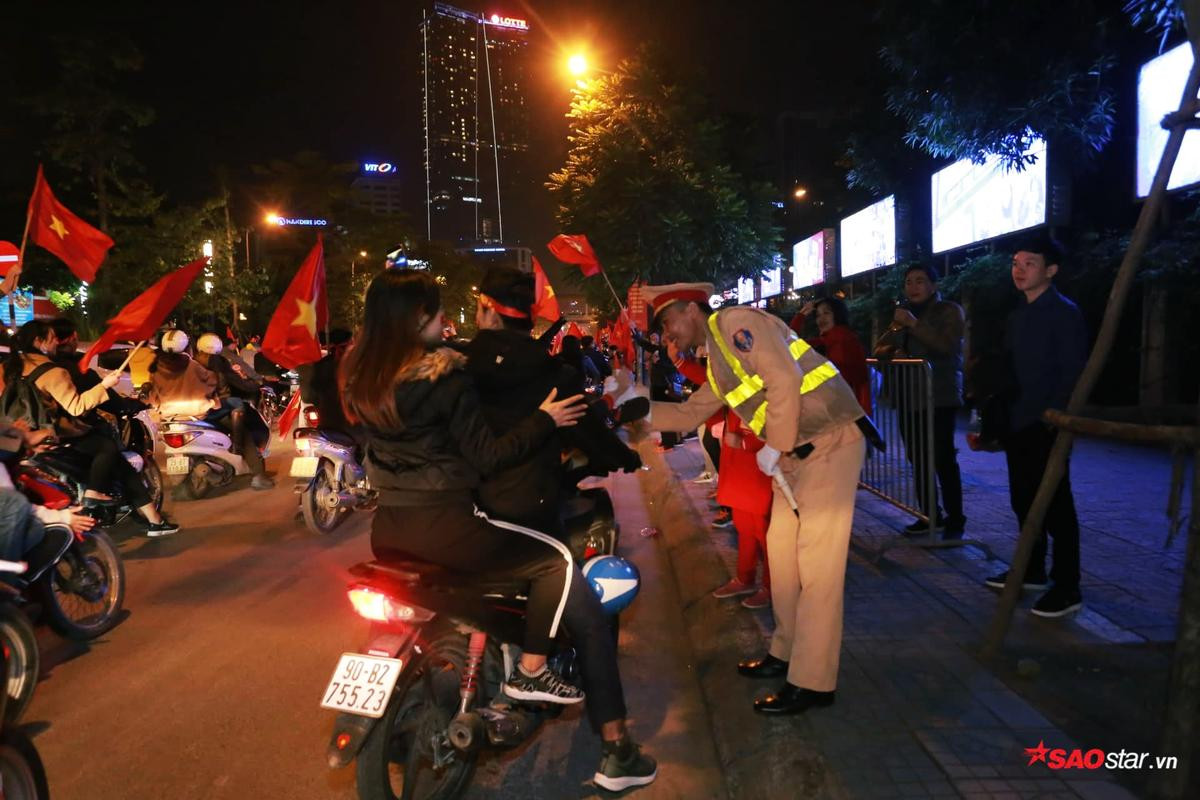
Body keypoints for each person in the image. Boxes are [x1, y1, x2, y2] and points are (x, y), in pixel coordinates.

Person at [341, 270, 657, 791]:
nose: (448, 320)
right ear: (416, 319)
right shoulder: (456, 376)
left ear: (487, 307)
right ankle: (587, 721)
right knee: (561, 570)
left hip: (389, 530)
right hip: (458, 523)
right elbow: (488, 454)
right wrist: (545, 420)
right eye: (438, 312)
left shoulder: (366, 380)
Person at [641, 282, 869, 715]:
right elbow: (691, 413)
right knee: (782, 557)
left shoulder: (736, 323)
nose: (668, 337)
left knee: (817, 566)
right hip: (793, 456)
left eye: (669, 324)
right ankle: (784, 653)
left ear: (691, 310)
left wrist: (775, 444)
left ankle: (814, 681)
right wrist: (634, 404)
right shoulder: (719, 361)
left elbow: (783, 378)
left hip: (830, 443)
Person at [464, 268, 641, 533]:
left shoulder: (454, 364)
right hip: (529, 508)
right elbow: (591, 434)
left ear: (487, 307)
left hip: (459, 508)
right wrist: (626, 458)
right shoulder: (551, 373)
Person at [985, 237, 1087, 618]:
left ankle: (1067, 584)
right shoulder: (1017, 315)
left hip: (1047, 424)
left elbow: (1071, 370)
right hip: (1018, 421)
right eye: (1016, 262)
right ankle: (1032, 569)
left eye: (1030, 262)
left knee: (1056, 504)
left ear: (1051, 270)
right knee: (1023, 500)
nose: (1020, 269)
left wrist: (1055, 416)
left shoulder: (1064, 313)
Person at [2, 320, 178, 536]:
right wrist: (104, 386)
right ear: (39, 342)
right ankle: (98, 494)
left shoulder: (11, 368)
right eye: (51, 337)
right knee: (108, 448)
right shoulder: (55, 371)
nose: (55, 342)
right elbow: (76, 407)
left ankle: (151, 519)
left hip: (19, 436)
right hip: (54, 436)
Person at [873, 265, 967, 537]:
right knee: (918, 459)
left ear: (933, 286)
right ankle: (929, 515)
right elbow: (879, 347)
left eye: (920, 281)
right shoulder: (902, 315)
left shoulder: (948, 311)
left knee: (943, 459)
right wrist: (894, 350)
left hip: (939, 397)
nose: (913, 287)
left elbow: (946, 345)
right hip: (908, 398)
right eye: (909, 282)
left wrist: (914, 324)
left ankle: (955, 519)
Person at [148, 330, 274, 490]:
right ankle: (256, 473)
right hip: (198, 411)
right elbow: (212, 381)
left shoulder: (156, 368)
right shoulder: (193, 365)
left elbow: (153, 395)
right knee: (242, 424)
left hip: (170, 415)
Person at [789, 297, 872, 413]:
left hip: (842, 411)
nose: (821, 319)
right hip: (849, 409)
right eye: (818, 315)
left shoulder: (838, 338)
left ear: (837, 314)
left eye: (826, 313)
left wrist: (801, 315)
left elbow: (791, 344)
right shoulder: (840, 337)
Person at [297, 329, 356, 438]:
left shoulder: (320, 366)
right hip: (359, 431)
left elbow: (308, 397)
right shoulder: (362, 365)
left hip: (328, 430)